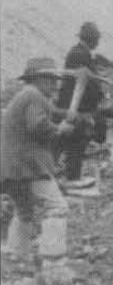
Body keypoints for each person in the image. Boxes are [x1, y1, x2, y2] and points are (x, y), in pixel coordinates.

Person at [1, 57, 75, 269]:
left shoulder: (26, 95)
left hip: (10, 167)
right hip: (28, 166)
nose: (55, 84)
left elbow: (42, 115)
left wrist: (65, 114)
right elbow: (38, 125)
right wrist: (59, 129)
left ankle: (15, 256)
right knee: (58, 206)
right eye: (50, 79)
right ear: (36, 79)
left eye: (55, 79)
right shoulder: (35, 96)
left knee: (24, 211)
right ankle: (53, 259)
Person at [56, 22, 106, 185]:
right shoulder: (79, 54)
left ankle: (69, 176)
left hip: (76, 106)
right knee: (75, 141)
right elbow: (83, 83)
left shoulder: (81, 52)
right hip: (75, 107)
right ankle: (71, 178)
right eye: (97, 39)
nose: (98, 42)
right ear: (92, 39)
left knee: (72, 141)